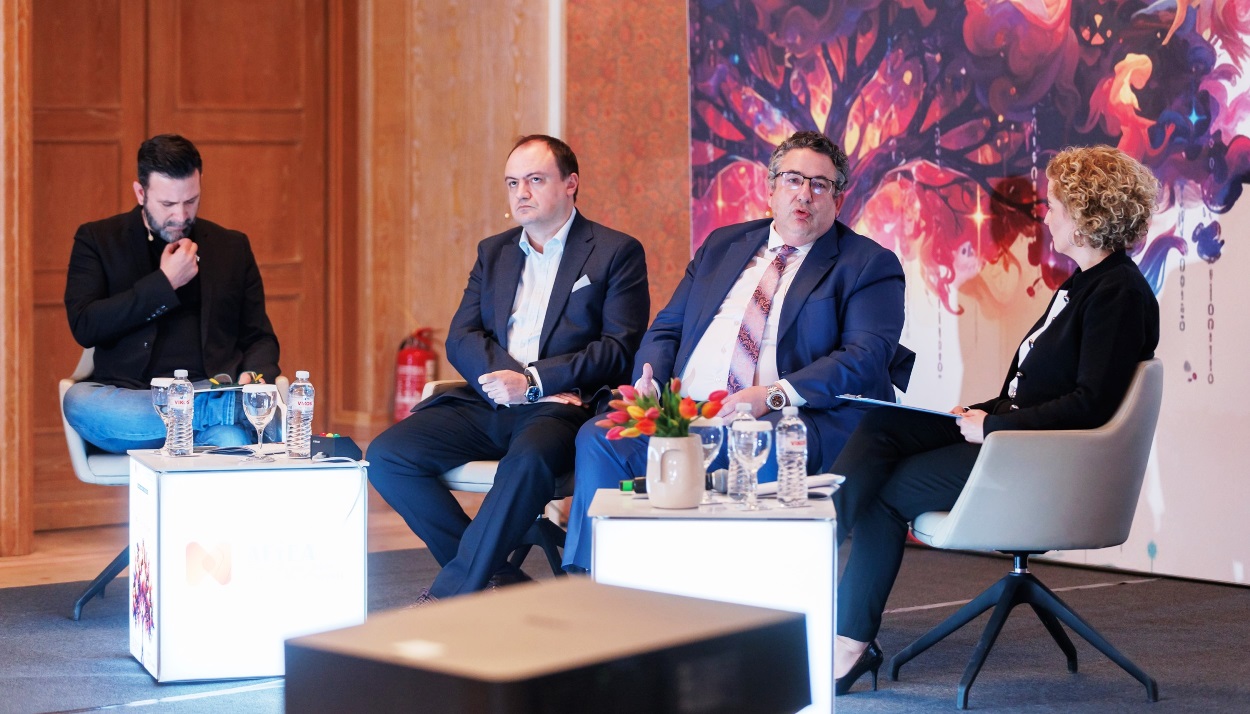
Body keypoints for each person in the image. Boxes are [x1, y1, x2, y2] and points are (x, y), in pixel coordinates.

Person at [830, 145, 1161, 695]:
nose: (1046, 216)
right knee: (882, 425)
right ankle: (819, 530)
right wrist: (983, 411)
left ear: (1086, 214)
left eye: (1055, 205)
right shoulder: (1083, 283)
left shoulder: (1119, 293)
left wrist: (994, 428)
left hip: (1037, 457)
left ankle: (848, 641)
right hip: (1014, 436)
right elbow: (1033, 389)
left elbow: (1092, 405)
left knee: (888, 493)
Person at [563, 130, 914, 573]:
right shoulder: (722, 246)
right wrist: (649, 382)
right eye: (793, 180)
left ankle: (746, 592)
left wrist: (773, 395)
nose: (804, 194)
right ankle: (597, 581)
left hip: (790, 418)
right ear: (771, 190)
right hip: (688, 412)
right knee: (600, 438)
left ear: (838, 200)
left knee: (766, 443)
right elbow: (669, 327)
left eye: (820, 185)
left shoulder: (867, 263)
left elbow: (866, 356)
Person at [366, 135, 649, 601]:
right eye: (513, 183)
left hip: (560, 406)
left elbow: (619, 348)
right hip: (490, 401)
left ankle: (450, 593)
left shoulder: (615, 252)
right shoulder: (493, 251)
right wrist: (511, 383)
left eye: (535, 180)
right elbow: (461, 336)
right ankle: (498, 579)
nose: (522, 193)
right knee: (386, 456)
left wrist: (535, 383)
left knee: (528, 461)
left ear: (570, 183)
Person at [64, 134, 280, 452]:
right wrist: (165, 284)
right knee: (78, 402)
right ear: (141, 193)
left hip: (207, 389)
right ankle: (221, 411)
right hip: (133, 403)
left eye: (191, 201)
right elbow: (85, 325)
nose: (181, 216)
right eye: (167, 204)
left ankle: (216, 411)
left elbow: (260, 337)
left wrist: (253, 375)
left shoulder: (231, 247)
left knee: (232, 441)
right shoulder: (98, 240)